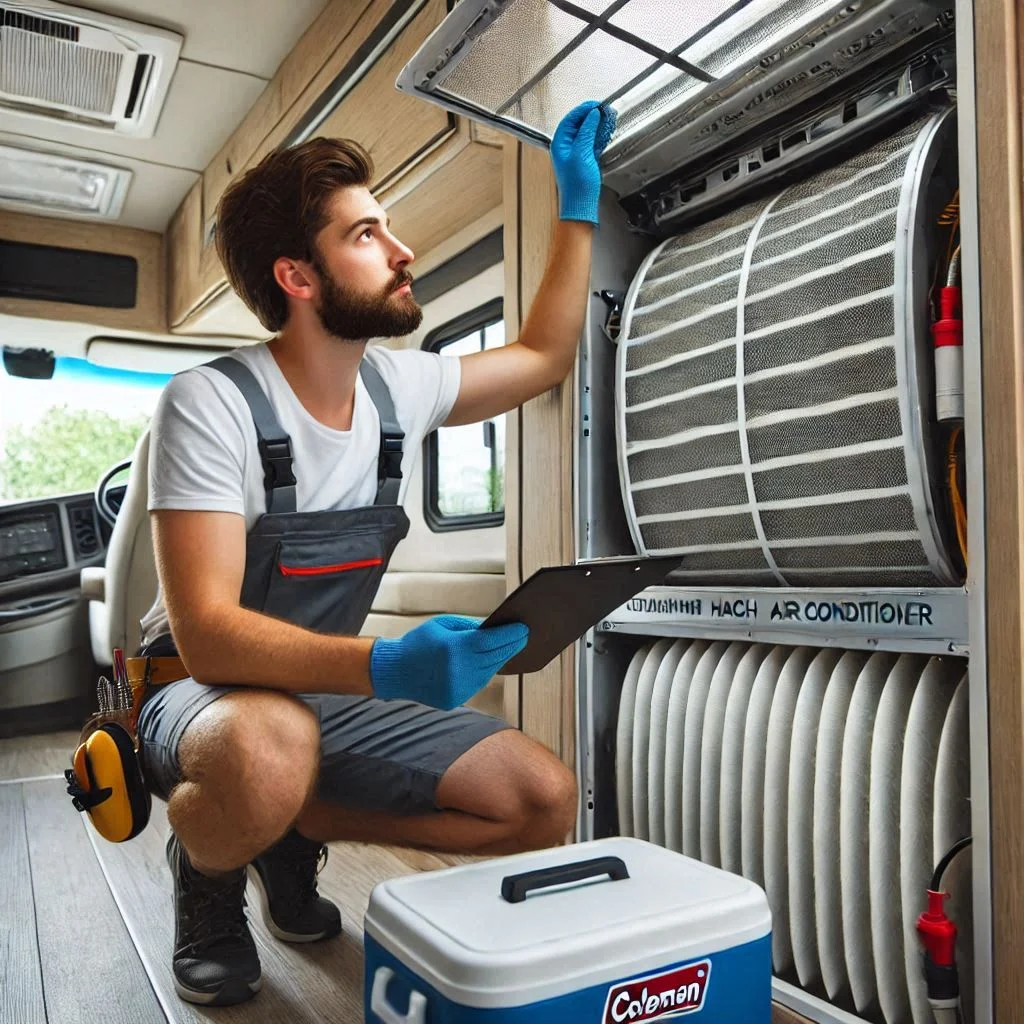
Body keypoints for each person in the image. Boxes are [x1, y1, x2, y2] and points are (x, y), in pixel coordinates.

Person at [135, 99, 616, 1006]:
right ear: (299, 276)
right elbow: (208, 639)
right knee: (267, 744)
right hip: (199, 699)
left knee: (541, 799)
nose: (401, 251)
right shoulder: (209, 403)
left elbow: (546, 355)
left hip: (316, 699)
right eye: (367, 234)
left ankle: (279, 829)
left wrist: (577, 204)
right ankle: (208, 869)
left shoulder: (400, 385)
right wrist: (392, 664)